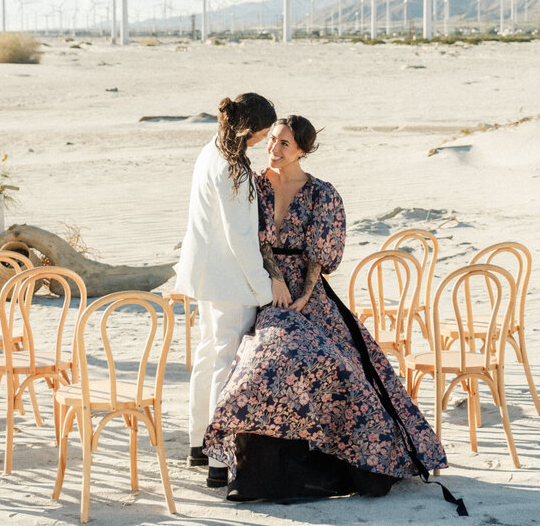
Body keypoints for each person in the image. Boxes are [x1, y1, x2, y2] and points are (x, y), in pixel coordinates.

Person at [203, 115, 457, 504]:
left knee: (341, 363)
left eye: (284, 143)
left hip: (310, 292)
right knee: (269, 361)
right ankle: (260, 473)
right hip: (265, 289)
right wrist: (274, 280)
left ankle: (345, 465)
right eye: (271, 139)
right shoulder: (253, 186)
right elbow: (254, 243)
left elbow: (320, 258)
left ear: (303, 150)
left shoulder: (323, 194)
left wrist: (304, 296)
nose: (273, 148)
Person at [174, 92, 291, 489]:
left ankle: (197, 442)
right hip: (229, 281)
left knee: (209, 357)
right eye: (260, 134)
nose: (262, 142)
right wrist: (264, 288)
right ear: (246, 129)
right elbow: (240, 239)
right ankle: (217, 463)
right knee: (226, 366)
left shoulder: (210, 151)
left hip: (206, 276)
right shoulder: (233, 168)